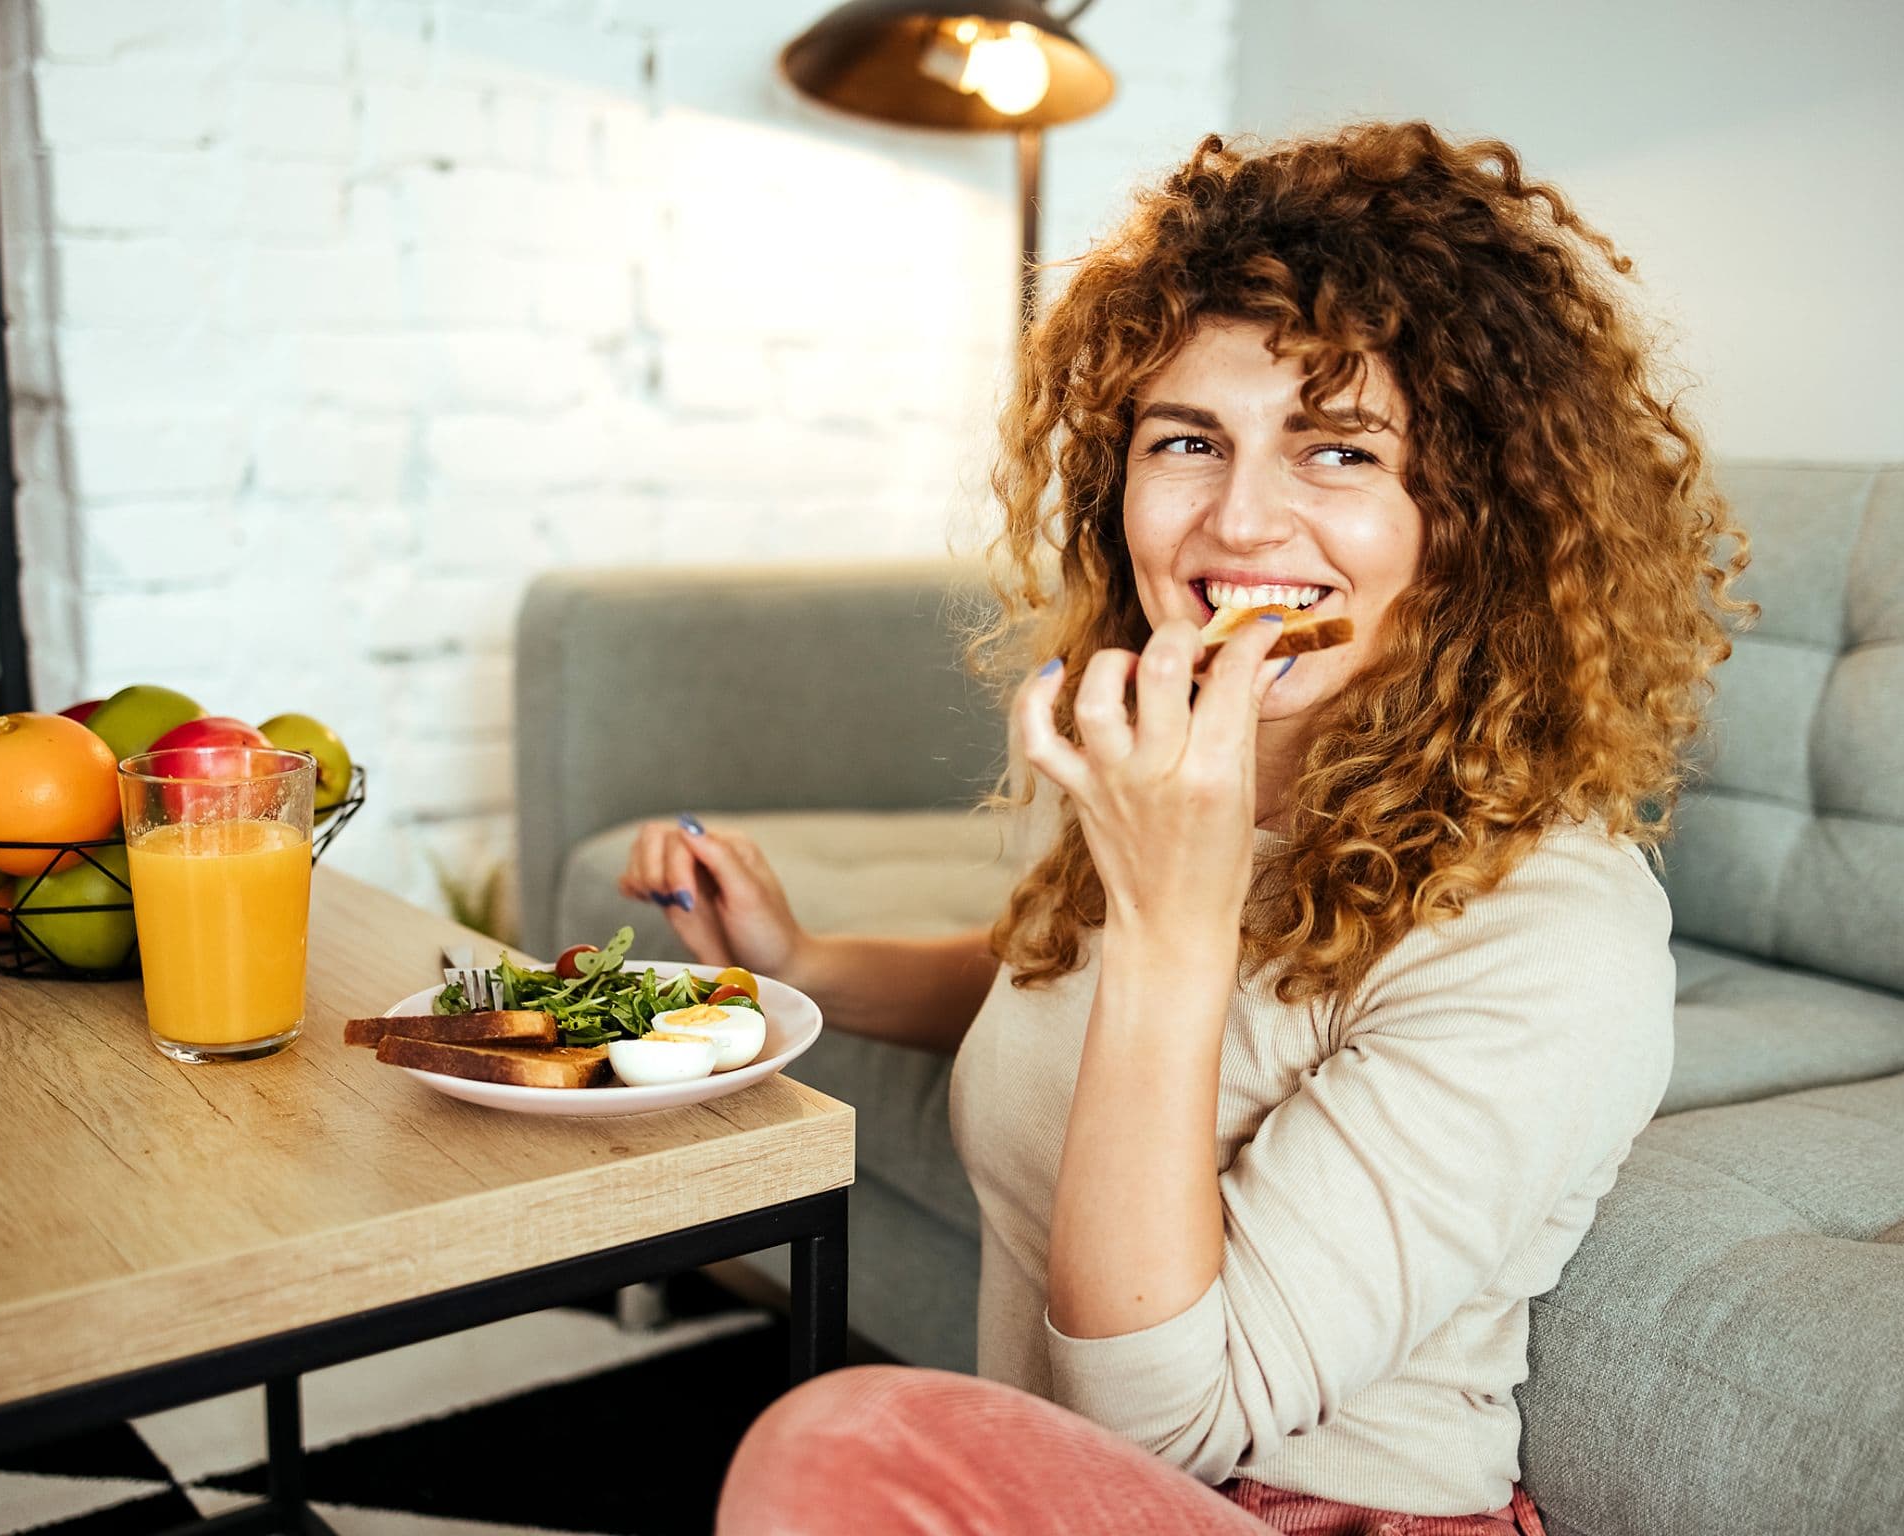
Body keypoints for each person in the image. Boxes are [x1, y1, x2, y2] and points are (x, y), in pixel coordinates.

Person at [619, 120, 1753, 1536]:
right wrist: (807, 962)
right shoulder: (1202, 772)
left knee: (843, 1440)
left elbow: (1155, 1425)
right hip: (1072, 1484)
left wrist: (1174, 907)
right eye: (1187, 441)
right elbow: (1061, 980)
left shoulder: (1551, 932)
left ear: (1473, 522)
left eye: (1339, 451)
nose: (1241, 519)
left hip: (1307, 1510)